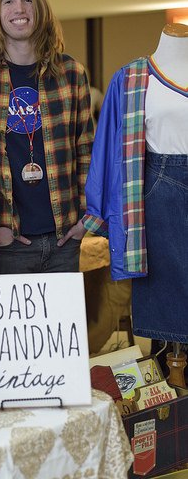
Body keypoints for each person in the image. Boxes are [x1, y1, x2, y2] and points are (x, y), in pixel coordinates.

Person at [0, 0, 94, 275]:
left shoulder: (71, 73)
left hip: (65, 240)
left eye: (27, 0)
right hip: (8, 244)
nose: (19, 9)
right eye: (8, 1)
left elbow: (86, 150)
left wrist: (86, 219)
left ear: (41, 9)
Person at [83, 23, 188, 354]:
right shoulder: (131, 79)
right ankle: (172, 401)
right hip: (160, 197)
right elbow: (108, 152)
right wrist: (97, 216)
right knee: (167, 314)